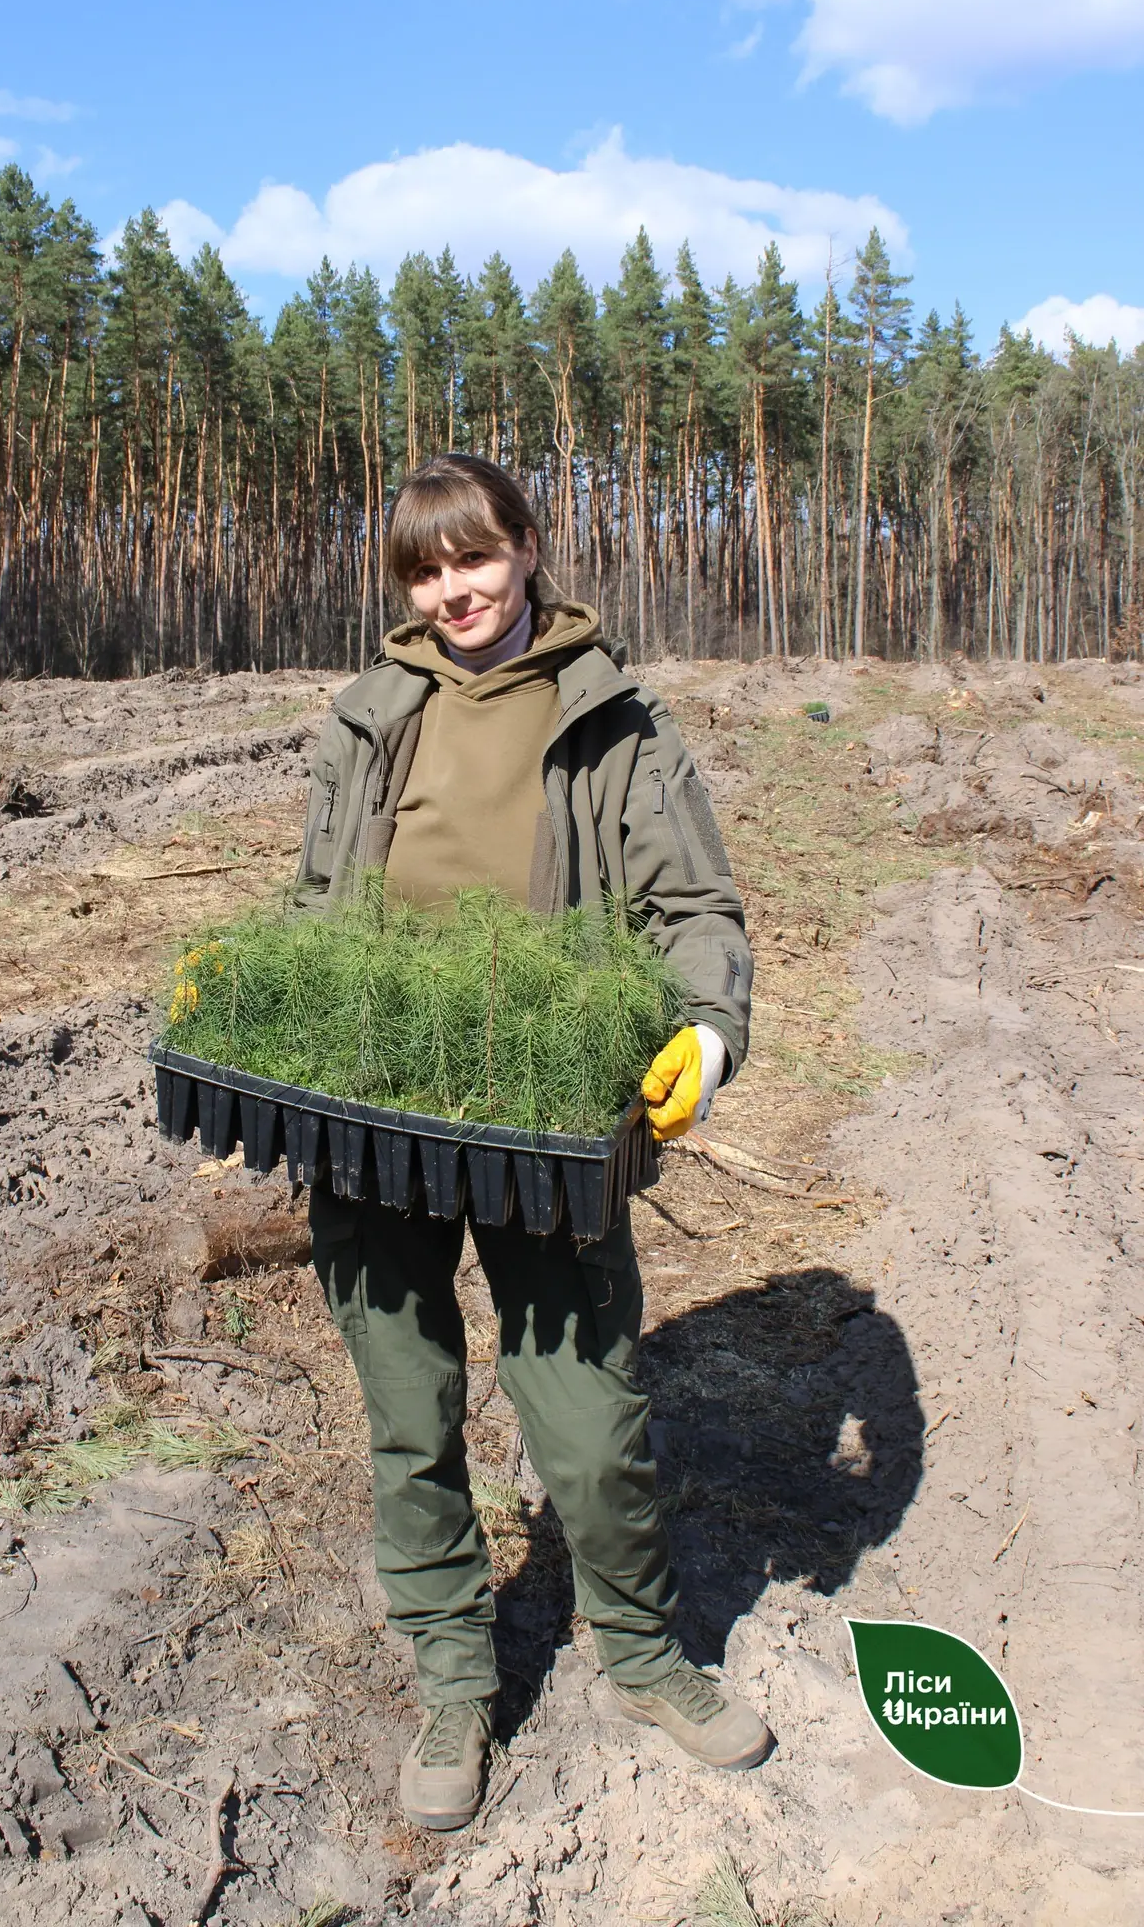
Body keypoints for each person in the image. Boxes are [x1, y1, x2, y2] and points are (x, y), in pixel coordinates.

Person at [295, 453, 770, 1830]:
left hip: (548, 1115)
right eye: (425, 570)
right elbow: (318, 895)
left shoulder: (611, 718)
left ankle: (640, 1652)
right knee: (408, 1406)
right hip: (374, 1099)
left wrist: (708, 1035)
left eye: (476, 559)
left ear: (528, 548)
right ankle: (456, 1674)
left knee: (588, 1412)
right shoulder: (372, 712)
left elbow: (698, 910)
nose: (455, 591)